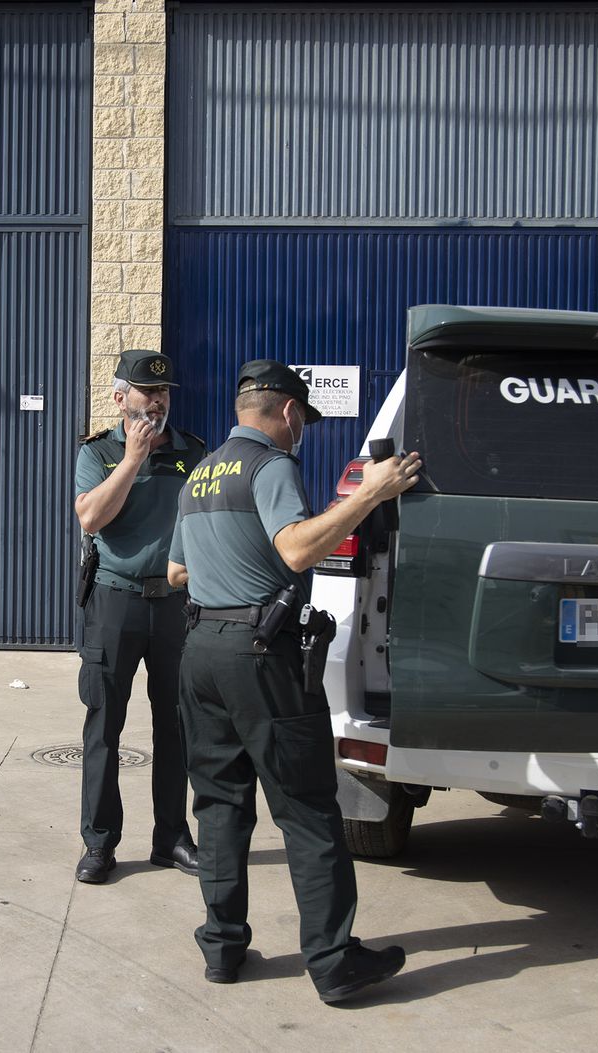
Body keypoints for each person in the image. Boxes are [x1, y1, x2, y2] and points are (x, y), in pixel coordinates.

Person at [165, 360, 422, 1005]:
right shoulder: (271, 466)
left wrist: (227, 574)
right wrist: (370, 492)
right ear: (286, 412)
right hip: (261, 658)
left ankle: (222, 950)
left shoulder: (198, 474)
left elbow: (175, 573)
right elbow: (298, 551)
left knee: (220, 806)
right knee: (307, 809)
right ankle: (334, 964)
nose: (300, 429)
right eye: (301, 418)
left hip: (200, 652)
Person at [72, 349, 209, 884]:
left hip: (176, 606)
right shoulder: (99, 453)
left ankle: (171, 837)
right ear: (118, 397)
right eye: (146, 390)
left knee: (175, 727)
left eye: (165, 391)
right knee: (104, 726)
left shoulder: (192, 452)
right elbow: (90, 517)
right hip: (114, 602)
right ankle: (100, 844)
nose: (157, 400)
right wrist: (131, 459)